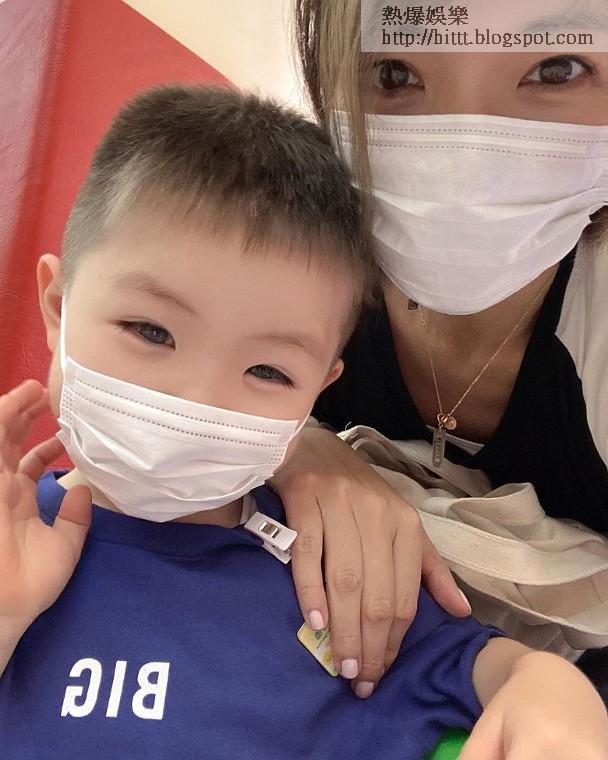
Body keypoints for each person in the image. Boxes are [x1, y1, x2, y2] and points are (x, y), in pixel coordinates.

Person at [0, 83, 606, 759]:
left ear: (321, 388)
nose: (201, 397)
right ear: (57, 307)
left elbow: (498, 674)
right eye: (150, 331)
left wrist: (551, 690)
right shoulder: (13, 550)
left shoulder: (333, 571)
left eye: (268, 371)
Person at [268, 0, 608, 701]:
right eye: (395, 73)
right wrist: (292, 446)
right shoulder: (292, 245)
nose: (464, 156)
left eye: (557, 68)